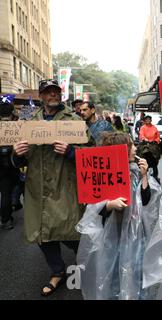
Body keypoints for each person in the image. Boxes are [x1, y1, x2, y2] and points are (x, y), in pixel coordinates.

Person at [12, 79, 85, 296]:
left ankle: (89, 266)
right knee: (41, 233)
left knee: (73, 233)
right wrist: (17, 154)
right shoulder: (29, 122)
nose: (52, 95)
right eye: (47, 92)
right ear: (41, 96)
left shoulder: (74, 121)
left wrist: (72, 151)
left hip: (65, 187)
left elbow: (92, 156)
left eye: (55, 91)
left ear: (60, 94)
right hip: (37, 188)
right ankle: (57, 271)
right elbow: (19, 162)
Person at [76, 132, 161, 300]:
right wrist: (108, 205)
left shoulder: (136, 172)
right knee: (114, 272)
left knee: (136, 271)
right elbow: (93, 210)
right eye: (131, 145)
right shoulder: (104, 175)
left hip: (137, 237)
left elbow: (146, 202)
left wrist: (145, 176)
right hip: (113, 238)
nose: (136, 148)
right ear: (121, 150)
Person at [0, 94, 20, 230]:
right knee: (7, 192)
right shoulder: (16, 126)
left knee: (5, 192)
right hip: (10, 165)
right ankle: (6, 218)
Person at [138, 116, 161, 181]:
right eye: (146, 119)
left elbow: (158, 136)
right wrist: (145, 139)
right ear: (145, 120)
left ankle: (155, 175)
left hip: (153, 144)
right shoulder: (143, 127)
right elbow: (141, 135)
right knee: (142, 154)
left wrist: (156, 140)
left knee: (155, 157)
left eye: (149, 119)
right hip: (145, 144)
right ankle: (144, 174)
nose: (148, 120)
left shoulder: (154, 127)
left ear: (151, 120)